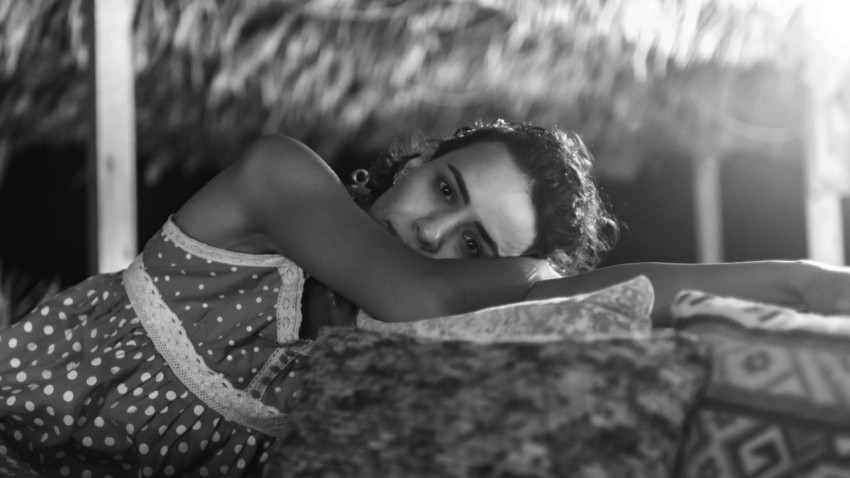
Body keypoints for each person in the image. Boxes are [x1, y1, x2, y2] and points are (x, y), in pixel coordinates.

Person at [0, 119, 847, 478]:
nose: (439, 232)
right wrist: (540, 273)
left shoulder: (369, 349)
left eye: (476, 241)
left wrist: (811, 289)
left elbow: (653, 293)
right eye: (445, 190)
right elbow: (422, 292)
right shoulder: (278, 178)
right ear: (411, 165)